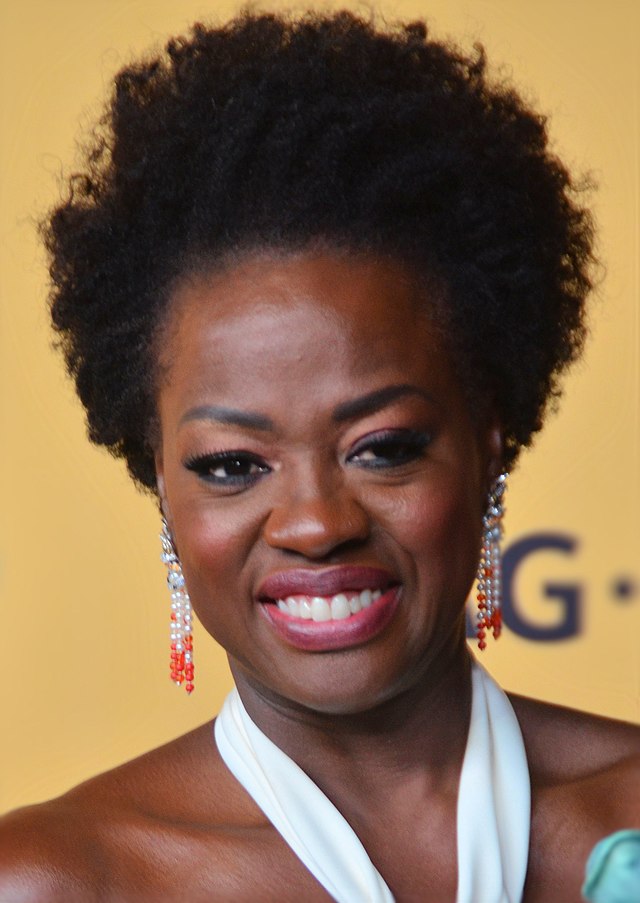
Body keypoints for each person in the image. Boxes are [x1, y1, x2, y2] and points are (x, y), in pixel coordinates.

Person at [0, 10, 638, 902]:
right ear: (160, 484)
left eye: (383, 449)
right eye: (232, 464)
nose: (316, 523)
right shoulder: (58, 882)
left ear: (489, 442)